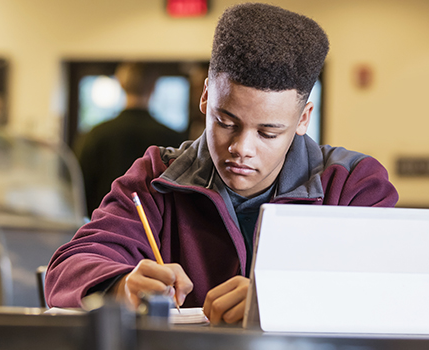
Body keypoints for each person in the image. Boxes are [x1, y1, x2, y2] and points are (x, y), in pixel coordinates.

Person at [46, 3, 398, 325]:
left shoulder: (352, 185)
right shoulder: (157, 178)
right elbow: (67, 269)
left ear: (304, 118)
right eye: (226, 122)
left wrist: (282, 299)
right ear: (205, 97)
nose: (241, 148)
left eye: (268, 132)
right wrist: (121, 285)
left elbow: (393, 293)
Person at [76, 62, 186, 213]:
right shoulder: (175, 139)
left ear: (120, 84)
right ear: (153, 87)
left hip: (105, 226)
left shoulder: (96, 135)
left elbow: (79, 190)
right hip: (156, 231)